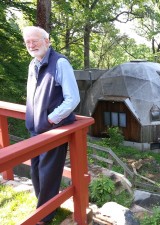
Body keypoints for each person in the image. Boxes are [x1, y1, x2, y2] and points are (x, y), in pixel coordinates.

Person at [22, 26, 80, 225]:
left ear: (47, 41)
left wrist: (50, 120)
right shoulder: (33, 64)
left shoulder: (60, 63)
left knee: (49, 173)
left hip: (52, 130)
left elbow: (72, 99)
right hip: (35, 129)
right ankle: (43, 206)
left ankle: (45, 216)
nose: (31, 45)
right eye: (27, 42)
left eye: (35, 40)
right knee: (36, 169)